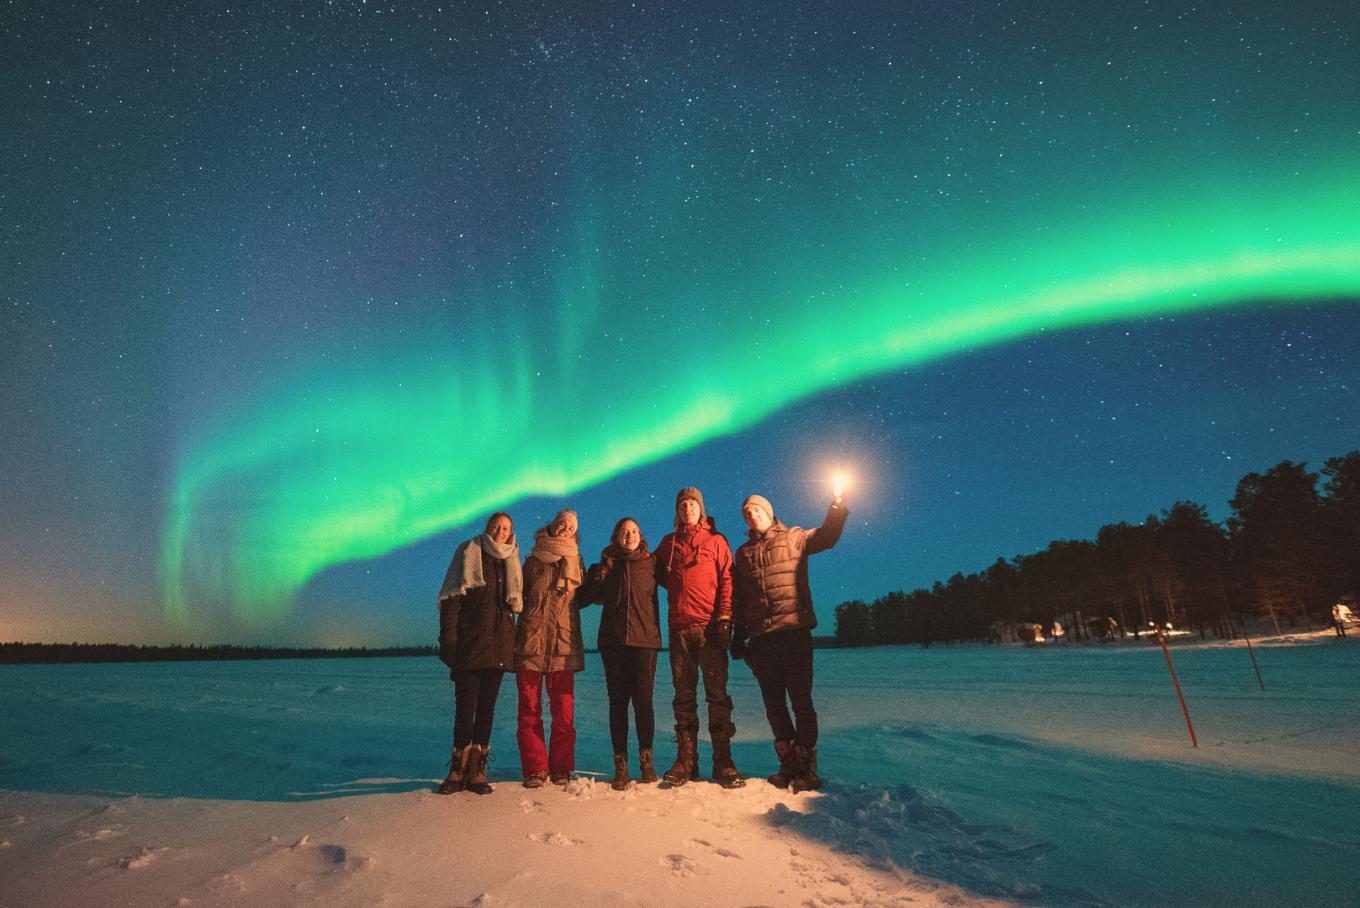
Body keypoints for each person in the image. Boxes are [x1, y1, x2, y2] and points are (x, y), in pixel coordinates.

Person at [731, 491, 848, 792]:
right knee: (774, 704)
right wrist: (738, 635)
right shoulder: (743, 554)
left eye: (757, 510)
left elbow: (826, 538)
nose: (752, 515)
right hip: (761, 639)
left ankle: (806, 766)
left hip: (793, 633)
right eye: (747, 513)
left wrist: (836, 508)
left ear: (769, 512)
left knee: (801, 701)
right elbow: (740, 599)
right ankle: (788, 764)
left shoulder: (794, 537)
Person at [653, 487, 744, 788]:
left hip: (709, 629)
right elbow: (654, 572)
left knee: (717, 695)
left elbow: (728, 579)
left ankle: (723, 762)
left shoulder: (716, 541)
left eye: (692, 504)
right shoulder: (668, 544)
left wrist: (725, 617)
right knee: (683, 697)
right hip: (679, 630)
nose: (687, 508)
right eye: (682, 505)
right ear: (677, 511)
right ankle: (686, 762)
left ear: (701, 508)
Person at [435, 511, 523, 795]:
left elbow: (514, 605)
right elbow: (451, 598)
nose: (500, 531)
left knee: (487, 709)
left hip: (499, 646)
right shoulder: (468, 551)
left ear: (510, 533)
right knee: (465, 708)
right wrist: (448, 640)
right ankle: (456, 769)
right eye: (496, 526)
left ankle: (477, 770)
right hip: (470, 644)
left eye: (506, 528)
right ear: (487, 527)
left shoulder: (511, 558)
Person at [580, 517, 663, 790]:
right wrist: (585, 573)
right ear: (617, 536)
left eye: (634, 531)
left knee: (643, 702)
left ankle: (646, 761)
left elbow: (679, 583)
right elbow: (582, 599)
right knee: (618, 703)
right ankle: (621, 765)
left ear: (641, 535)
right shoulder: (606, 565)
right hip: (613, 642)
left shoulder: (652, 563)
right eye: (625, 532)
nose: (630, 535)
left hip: (645, 641)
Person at [515, 509, 586, 787]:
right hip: (530, 643)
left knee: (564, 711)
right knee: (529, 708)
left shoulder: (577, 561)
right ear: (553, 525)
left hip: (563, 646)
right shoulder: (533, 560)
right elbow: (515, 596)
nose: (565, 528)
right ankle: (535, 768)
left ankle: (561, 768)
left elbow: (589, 595)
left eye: (571, 526)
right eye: (562, 523)